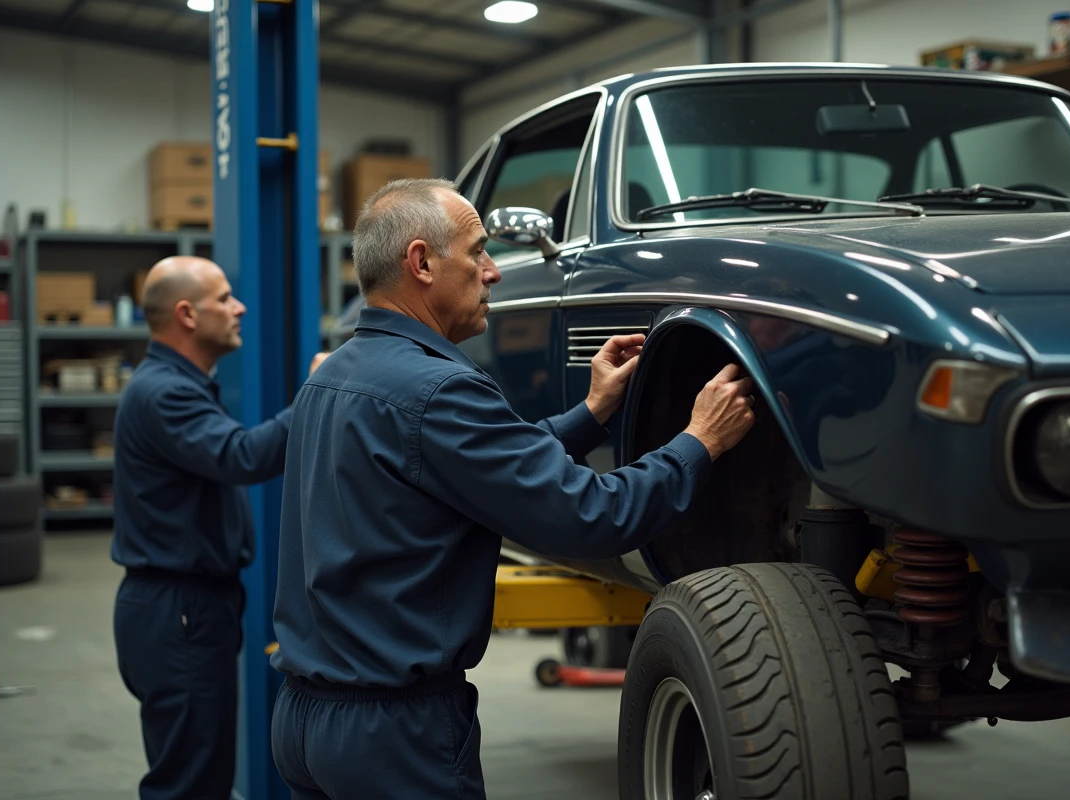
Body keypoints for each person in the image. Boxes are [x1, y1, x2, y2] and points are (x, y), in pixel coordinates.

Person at [269, 179, 755, 799]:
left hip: (306, 722)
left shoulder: (332, 376)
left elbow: (474, 465)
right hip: (393, 735)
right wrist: (699, 441)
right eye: (477, 252)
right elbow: (592, 516)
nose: (493, 272)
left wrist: (592, 410)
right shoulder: (440, 389)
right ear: (421, 263)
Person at [111, 256, 327, 800]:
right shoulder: (164, 392)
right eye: (225, 298)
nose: (240, 307)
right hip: (177, 612)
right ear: (186, 314)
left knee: (200, 771)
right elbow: (242, 456)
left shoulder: (178, 384)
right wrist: (316, 392)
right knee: (188, 783)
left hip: (186, 608)